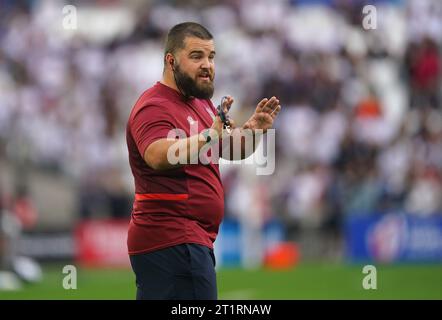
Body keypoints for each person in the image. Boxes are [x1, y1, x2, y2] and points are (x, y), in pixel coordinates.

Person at [126, 22, 281, 300]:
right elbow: (157, 155)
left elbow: (228, 148)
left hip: (185, 240)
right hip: (172, 238)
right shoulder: (154, 105)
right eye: (196, 56)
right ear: (171, 61)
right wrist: (209, 136)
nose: (207, 65)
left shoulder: (201, 103)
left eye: (211, 57)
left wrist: (255, 130)